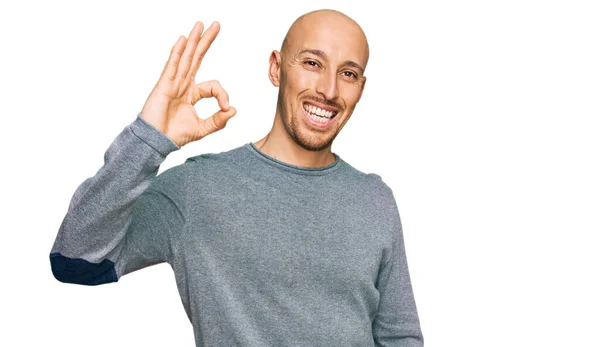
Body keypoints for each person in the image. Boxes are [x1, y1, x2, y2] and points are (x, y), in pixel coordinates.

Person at [49, 9, 424, 347]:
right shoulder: (197, 190)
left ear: (361, 87)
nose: (328, 91)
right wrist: (148, 140)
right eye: (312, 63)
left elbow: (399, 337)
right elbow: (75, 260)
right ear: (276, 68)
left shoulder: (374, 199)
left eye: (348, 73)